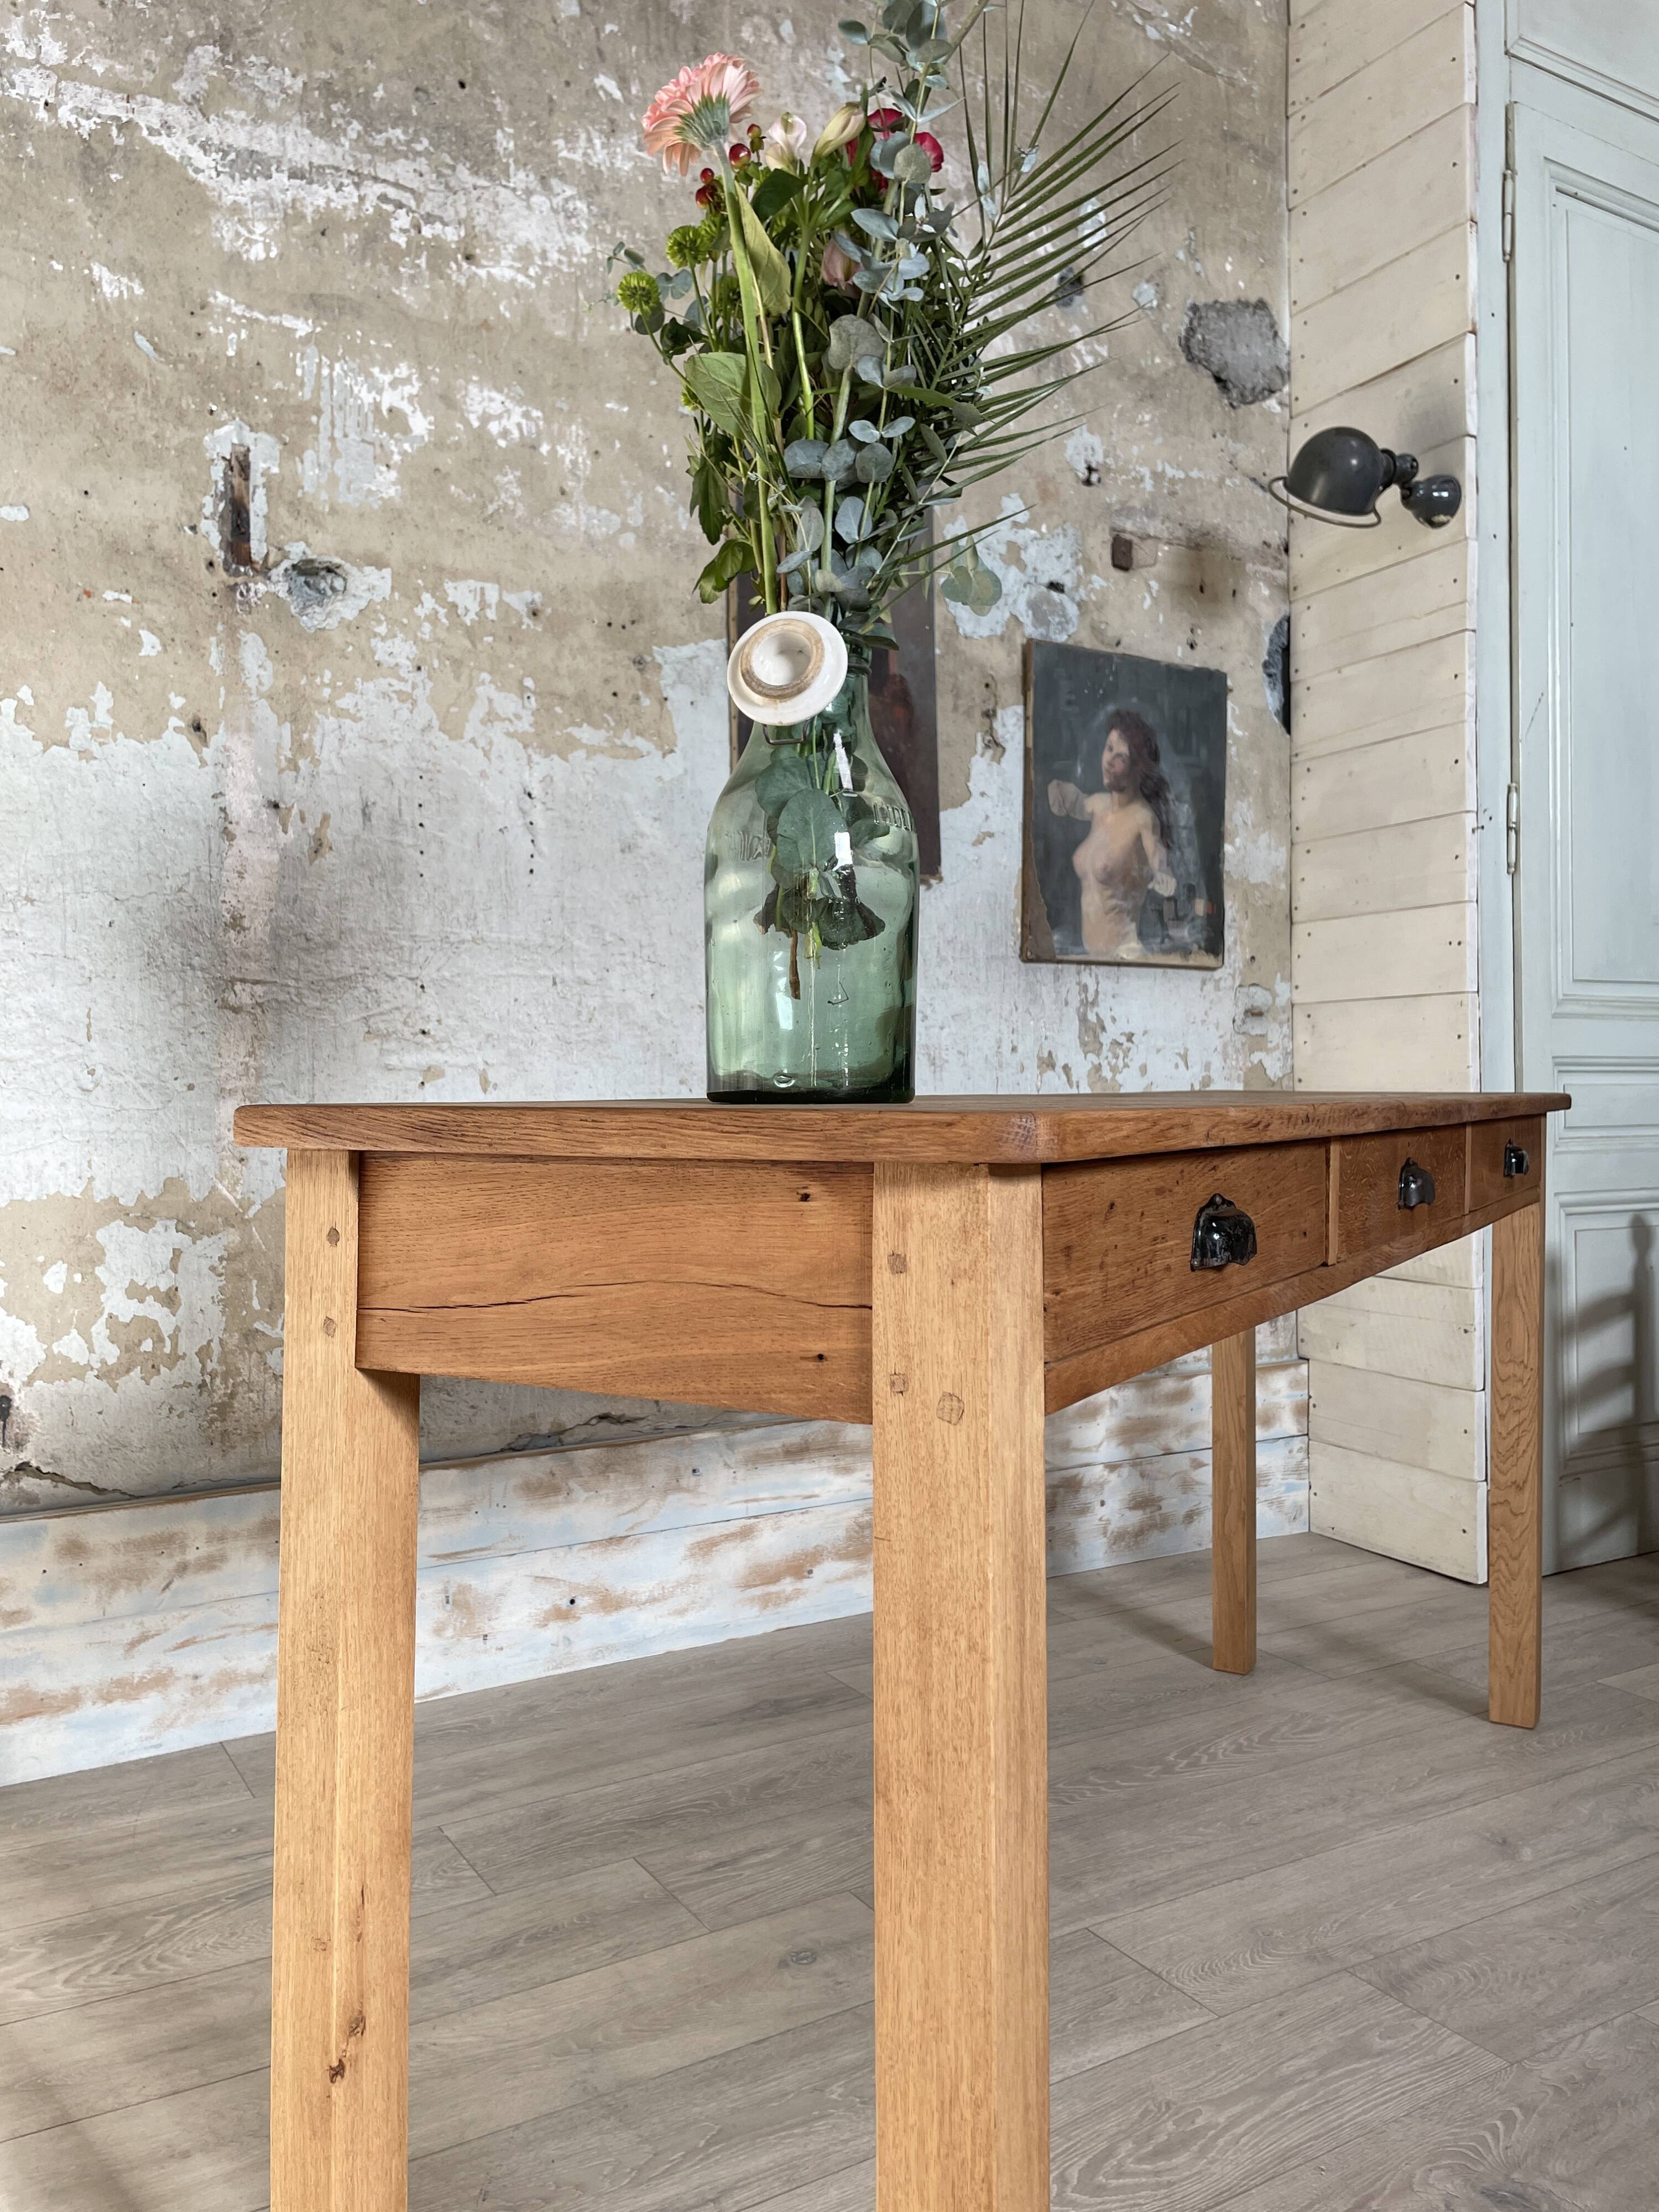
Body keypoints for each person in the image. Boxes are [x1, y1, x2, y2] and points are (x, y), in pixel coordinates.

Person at [1047, 709, 1177, 957]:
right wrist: (1055, 789)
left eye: (1121, 757)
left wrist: (1163, 875)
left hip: (1124, 957)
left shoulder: (1144, 819)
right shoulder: (1098, 805)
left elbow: (1160, 863)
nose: (1109, 760)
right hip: (1092, 958)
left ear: (1137, 767)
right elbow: (1070, 802)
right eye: (1108, 748)